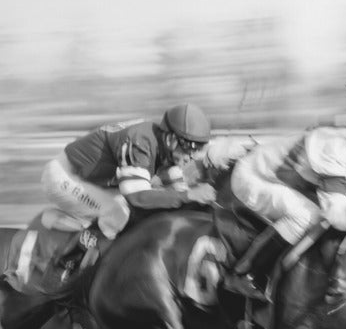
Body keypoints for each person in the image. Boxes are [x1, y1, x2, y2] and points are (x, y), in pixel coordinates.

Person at [222, 100, 346, 301]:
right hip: (253, 177)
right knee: (306, 215)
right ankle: (246, 274)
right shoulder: (337, 152)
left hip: (292, 181)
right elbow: (338, 218)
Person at [42, 102, 241, 270]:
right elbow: (137, 197)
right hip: (63, 176)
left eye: (198, 149)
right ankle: (69, 260)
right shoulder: (141, 141)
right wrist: (190, 196)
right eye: (189, 147)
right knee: (118, 211)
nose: (191, 155)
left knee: (141, 208)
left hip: (92, 180)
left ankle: (74, 228)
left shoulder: (166, 150)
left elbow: (176, 192)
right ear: (171, 139)